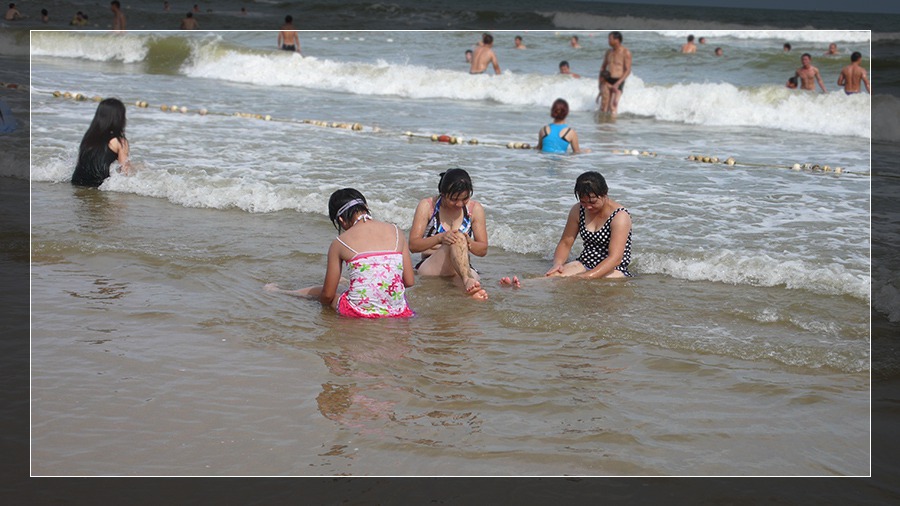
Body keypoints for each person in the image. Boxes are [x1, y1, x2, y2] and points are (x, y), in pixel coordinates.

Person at [265, 189, 415, 318]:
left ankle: (283, 292)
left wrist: (323, 305)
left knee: (321, 291)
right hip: (398, 311)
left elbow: (328, 295)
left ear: (341, 220)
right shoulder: (397, 232)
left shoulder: (340, 243)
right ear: (365, 207)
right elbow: (409, 281)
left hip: (359, 312)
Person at [500, 171, 633, 288]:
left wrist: (587, 276)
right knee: (554, 276)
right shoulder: (578, 210)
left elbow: (615, 258)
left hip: (614, 268)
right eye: (583, 202)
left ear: (604, 194)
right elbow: (565, 242)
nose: (588, 207)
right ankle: (521, 285)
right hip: (586, 261)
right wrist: (558, 264)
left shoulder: (620, 216)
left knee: (585, 283)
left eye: (592, 202)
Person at [408, 169, 489, 300]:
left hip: (462, 267)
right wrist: (440, 238)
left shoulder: (474, 209)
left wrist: (469, 242)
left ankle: (471, 290)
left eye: (465, 199)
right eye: (454, 199)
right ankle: (468, 282)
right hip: (432, 266)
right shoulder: (428, 206)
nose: (459, 204)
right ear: (443, 194)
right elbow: (413, 245)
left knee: (459, 238)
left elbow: (483, 250)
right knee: (457, 237)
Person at [71, 98, 134, 187]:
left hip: (76, 182)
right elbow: (125, 171)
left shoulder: (88, 137)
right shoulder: (119, 141)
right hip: (99, 186)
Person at [597, 31, 631, 116]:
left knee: (613, 106)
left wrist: (618, 83)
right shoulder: (608, 52)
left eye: (610, 39)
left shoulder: (625, 52)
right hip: (607, 80)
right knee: (604, 106)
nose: (608, 41)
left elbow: (628, 70)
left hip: (618, 80)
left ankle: (612, 123)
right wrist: (600, 81)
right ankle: (602, 123)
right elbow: (603, 67)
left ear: (617, 40)